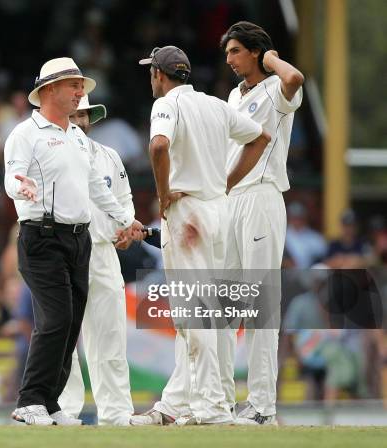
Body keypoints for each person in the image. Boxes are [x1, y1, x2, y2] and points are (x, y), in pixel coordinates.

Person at [130, 45, 270, 426]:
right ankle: (177, 405)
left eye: (152, 72)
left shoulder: (167, 105)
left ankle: (210, 407)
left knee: (195, 315)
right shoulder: (215, 105)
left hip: (188, 211)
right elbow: (261, 139)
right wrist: (224, 185)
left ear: (159, 75)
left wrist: (162, 195)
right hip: (217, 211)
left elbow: (158, 145)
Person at [4, 57, 143, 426]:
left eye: (81, 86)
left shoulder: (77, 138)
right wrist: (22, 186)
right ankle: (30, 400)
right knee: (57, 320)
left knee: (68, 322)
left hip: (78, 239)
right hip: (42, 236)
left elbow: (99, 188)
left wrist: (128, 220)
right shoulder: (26, 133)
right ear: (49, 91)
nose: (80, 93)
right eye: (73, 86)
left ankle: (50, 405)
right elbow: (11, 177)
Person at [219, 21, 305, 425]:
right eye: (228, 54)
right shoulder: (234, 95)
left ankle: (262, 407)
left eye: (236, 51)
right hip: (230, 199)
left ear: (255, 51)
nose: (230, 60)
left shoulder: (276, 87)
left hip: (261, 196)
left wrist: (270, 57)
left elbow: (295, 76)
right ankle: (220, 399)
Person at [57, 95, 135, 425]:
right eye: (71, 114)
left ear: (90, 118)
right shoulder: (52, 154)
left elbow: (124, 199)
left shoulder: (108, 156)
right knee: (61, 338)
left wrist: (127, 226)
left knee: (111, 336)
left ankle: (116, 415)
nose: (78, 120)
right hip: (64, 251)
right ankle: (64, 410)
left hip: (103, 252)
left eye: (82, 114)